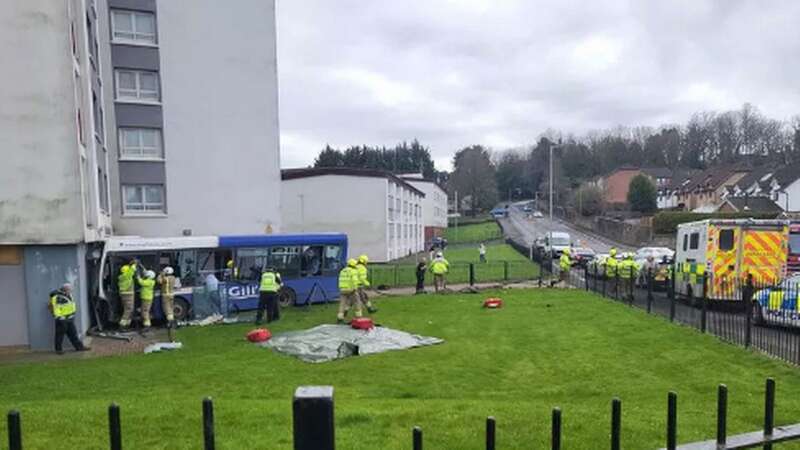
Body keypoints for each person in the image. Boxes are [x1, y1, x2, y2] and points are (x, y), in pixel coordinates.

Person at [49, 283, 90, 354]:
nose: (71, 291)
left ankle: (79, 347)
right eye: (70, 290)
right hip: (62, 319)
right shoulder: (58, 297)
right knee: (60, 335)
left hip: (69, 318)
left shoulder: (68, 295)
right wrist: (60, 317)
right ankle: (58, 350)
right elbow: (56, 308)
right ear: (65, 289)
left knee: (73, 334)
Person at [337, 259, 362, 323]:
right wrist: (355, 288)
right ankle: (359, 317)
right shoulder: (353, 271)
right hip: (350, 289)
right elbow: (355, 280)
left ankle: (340, 318)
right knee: (357, 301)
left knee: (342, 303)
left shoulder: (342, 271)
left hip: (342, 289)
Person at [117, 259, 137, 328]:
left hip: (124, 294)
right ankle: (122, 324)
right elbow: (132, 270)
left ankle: (127, 324)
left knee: (127, 309)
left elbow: (130, 270)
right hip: (128, 295)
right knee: (129, 309)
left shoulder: (121, 277)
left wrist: (129, 265)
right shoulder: (127, 276)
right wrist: (134, 263)